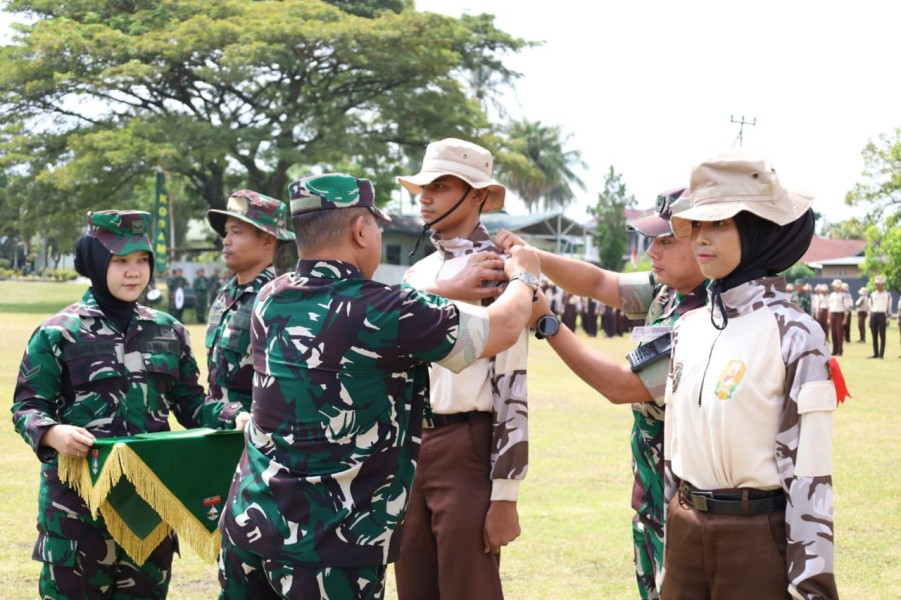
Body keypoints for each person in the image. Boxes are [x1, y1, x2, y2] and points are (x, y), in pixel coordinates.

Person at [217, 173, 540, 599]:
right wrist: (525, 277)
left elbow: (357, 315)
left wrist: (441, 290)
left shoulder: (270, 298)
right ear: (360, 229)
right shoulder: (387, 310)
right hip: (329, 548)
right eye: (377, 223)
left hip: (250, 526)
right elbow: (501, 328)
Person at [11, 210, 248, 599]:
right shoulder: (59, 331)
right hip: (79, 509)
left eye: (142, 261)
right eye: (120, 261)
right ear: (94, 262)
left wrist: (232, 417)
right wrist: (52, 432)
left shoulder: (168, 330)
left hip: (150, 504)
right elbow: (27, 406)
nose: (134, 272)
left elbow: (190, 403)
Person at [497, 187, 707, 600]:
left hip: (684, 494)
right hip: (653, 482)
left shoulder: (699, 314)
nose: (652, 252)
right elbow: (598, 281)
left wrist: (547, 322)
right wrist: (534, 256)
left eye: (666, 240)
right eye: (651, 240)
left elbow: (619, 384)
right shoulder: (667, 291)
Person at [663, 152, 838, 599]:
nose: (701, 238)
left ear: (758, 228)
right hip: (684, 533)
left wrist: (810, 584)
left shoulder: (796, 334)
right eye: (696, 225)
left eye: (719, 223)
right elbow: (674, 445)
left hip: (756, 540)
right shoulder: (689, 327)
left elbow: (810, 472)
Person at [393, 138, 529, 599]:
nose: (425, 196)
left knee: (467, 588)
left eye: (441, 185)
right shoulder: (418, 273)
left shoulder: (499, 271)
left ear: (477, 195)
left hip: (468, 444)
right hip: (412, 446)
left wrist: (505, 495)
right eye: (422, 187)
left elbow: (513, 382)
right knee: (413, 585)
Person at [204, 190, 295, 415]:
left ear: (267, 240)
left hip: (257, 435)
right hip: (219, 428)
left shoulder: (279, 300)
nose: (226, 241)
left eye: (237, 232)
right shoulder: (224, 296)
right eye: (226, 232)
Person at [868, 275, 891, 359]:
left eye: (879, 284)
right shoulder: (873, 294)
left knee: (882, 335)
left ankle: (881, 354)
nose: (877, 286)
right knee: (874, 335)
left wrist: (888, 318)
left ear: (883, 284)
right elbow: (870, 306)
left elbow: (889, 307)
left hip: (882, 314)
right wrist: (869, 317)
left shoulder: (887, 295)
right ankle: (875, 353)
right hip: (874, 314)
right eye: (876, 284)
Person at [826, 279, 847, 356]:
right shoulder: (832, 295)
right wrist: (828, 317)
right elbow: (829, 306)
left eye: (835, 286)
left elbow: (846, 308)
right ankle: (834, 349)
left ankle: (840, 350)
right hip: (832, 313)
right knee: (833, 332)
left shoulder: (843, 295)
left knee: (839, 333)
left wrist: (845, 318)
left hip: (840, 313)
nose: (834, 288)